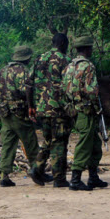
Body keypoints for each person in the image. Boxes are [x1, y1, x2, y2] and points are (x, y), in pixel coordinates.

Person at [0, 45, 45, 187]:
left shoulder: (2, 70)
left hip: (4, 112)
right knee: (30, 141)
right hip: (19, 112)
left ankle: (4, 175)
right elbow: (26, 91)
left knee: (8, 143)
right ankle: (37, 171)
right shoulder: (23, 71)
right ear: (27, 58)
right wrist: (31, 106)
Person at [62, 36, 108, 191]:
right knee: (84, 144)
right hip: (86, 110)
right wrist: (97, 107)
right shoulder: (88, 66)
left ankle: (93, 177)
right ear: (88, 49)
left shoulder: (70, 66)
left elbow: (64, 89)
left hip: (75, 109)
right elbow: (91, 91)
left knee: (95, 143)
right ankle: (75, 179)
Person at [29, 33, 72, 188]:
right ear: (62, 43)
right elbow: (69, 85)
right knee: (59, 142)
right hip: (59, 109)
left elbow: (29, 85)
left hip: (41, 108)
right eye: (66, 44)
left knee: (48, 140)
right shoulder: (65, 60)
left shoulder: (39, 59)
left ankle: (36, 169)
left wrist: (31, 106)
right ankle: (59, 179)